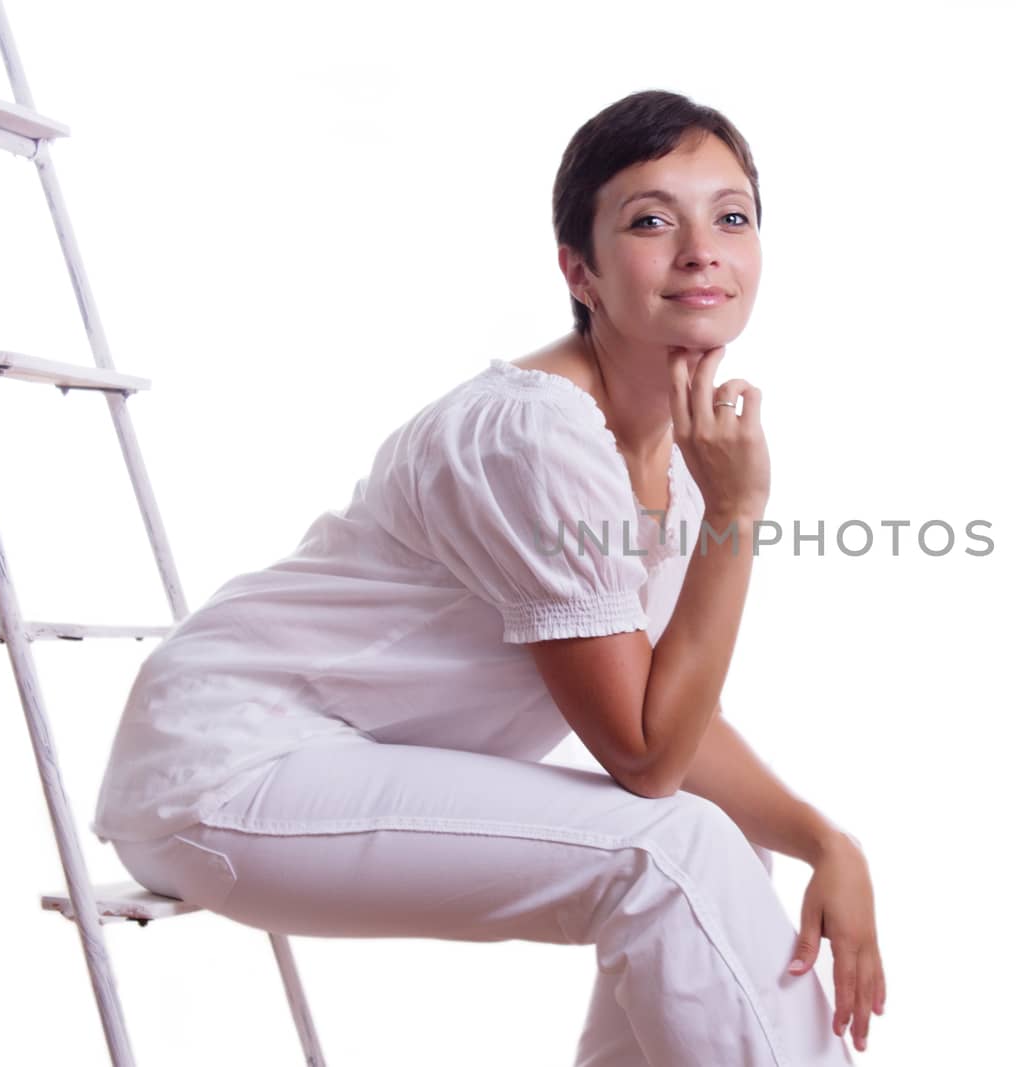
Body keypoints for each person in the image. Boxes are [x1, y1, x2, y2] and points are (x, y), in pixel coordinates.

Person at [90, 88, 886, 1064]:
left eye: (731, 216)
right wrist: (734, 516)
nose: (700, 248)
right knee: (673, 850)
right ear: (579, 271)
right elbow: (644, 753)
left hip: (326, 758)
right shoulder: (536, 431)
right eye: (649, 220)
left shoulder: (684, 449)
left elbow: (660, 708)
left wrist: (825, 839)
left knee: (718, 836)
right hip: (230, 769)